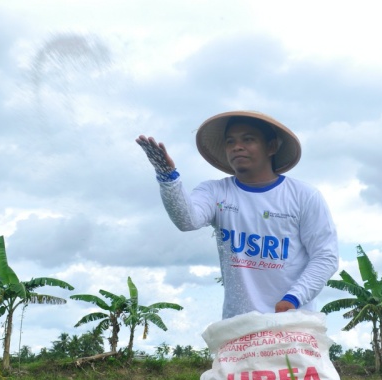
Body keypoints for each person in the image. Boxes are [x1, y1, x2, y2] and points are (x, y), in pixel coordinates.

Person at [137, 111, 338, 319]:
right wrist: (167, 177)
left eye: (248, 139)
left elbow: (326, 256)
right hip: (237, 326)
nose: (237, 147)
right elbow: (187, 220)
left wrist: (293, 298)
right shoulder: (216, 192)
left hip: (292, 323)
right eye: (230, 141)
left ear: (271, 146)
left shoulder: (304, 196)